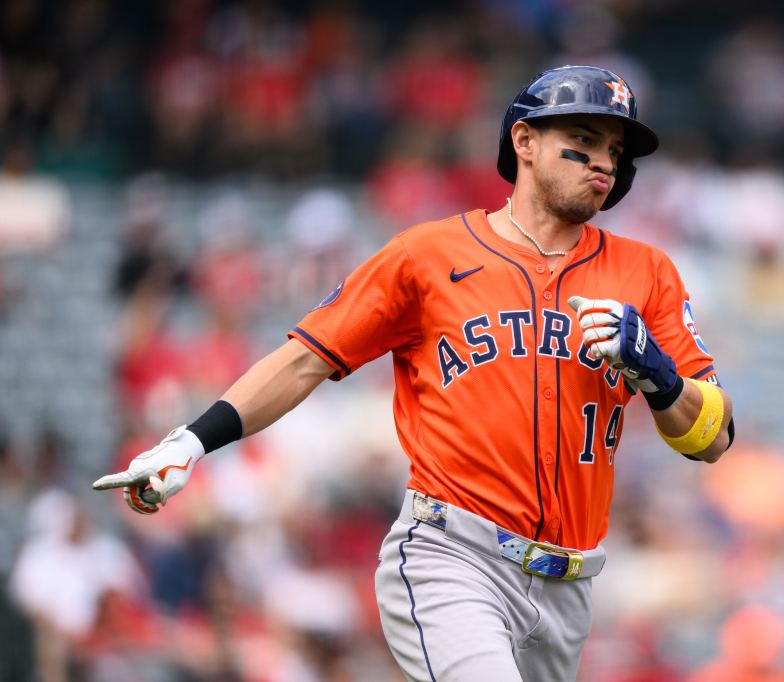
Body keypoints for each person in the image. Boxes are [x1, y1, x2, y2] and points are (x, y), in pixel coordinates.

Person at [94, 65, 734, 681]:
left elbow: (713, 437)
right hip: (451, 556)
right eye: (584, 140)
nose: (603, 161)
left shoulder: (646, 273)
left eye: (615, 150)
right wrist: (192, 441)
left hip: (570, 586)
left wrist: (659, 375)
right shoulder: (429, 256)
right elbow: (303, 359)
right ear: (525, 141)